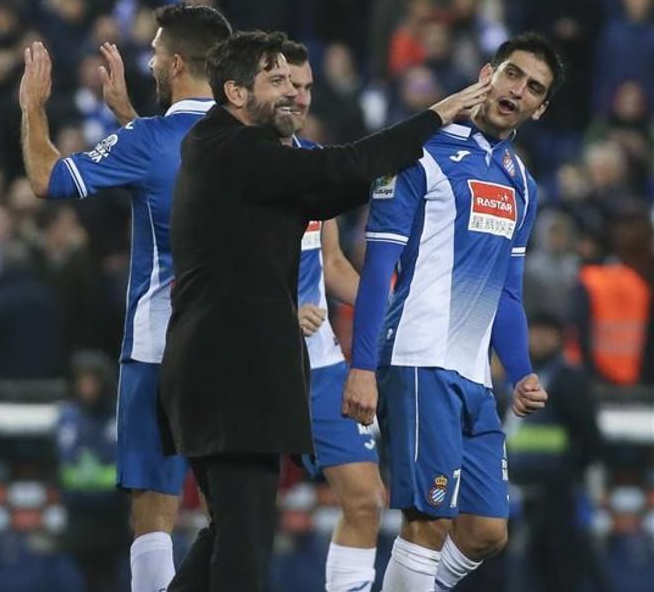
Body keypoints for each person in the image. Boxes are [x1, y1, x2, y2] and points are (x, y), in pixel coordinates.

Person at [159, 29, 491, 592]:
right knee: (245, 541)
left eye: (295, 81)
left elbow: (335, 187)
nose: (291, 92)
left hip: (218, 371)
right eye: (277, 81)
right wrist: (435, 117)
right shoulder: (236, 149)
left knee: (229, 530)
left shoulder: (228, 149)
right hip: (231, 376)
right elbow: (342, 170)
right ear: (236, 93)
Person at [17, 2, 233, 592]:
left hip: (159, 347)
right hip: (235, 348)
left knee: (155, 504)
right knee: (236, 507)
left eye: (158, 53)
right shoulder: (251, 139)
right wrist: (132, 119)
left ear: (179, 63)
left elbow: (47, 178)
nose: (152, 60)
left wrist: (33, 106)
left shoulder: (149, 140)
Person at [341, 32, 564, 592]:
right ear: (488, 73)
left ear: (541, 109)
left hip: (472, 374)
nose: (517, 91)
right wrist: (362, 367)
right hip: (419, 359)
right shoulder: (420, 152)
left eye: (533, 88)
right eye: (513, 74)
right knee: (430, 520)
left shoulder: (521, 183)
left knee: (487, 529)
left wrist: (522, 372)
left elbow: (508, 294)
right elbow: (377, 268)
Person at [281, 40, 386, 592]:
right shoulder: (227, 164)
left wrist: (388, 306)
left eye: (306, 87)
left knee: (366, 501)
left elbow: (333, 263)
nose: (298, 96)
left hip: (321, 367)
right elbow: (203, 274)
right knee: (236, 518)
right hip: (252, 368)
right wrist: (277, 310)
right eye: (287, 85)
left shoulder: (317, 164)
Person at [508, 313, 603, 592]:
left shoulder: (568, 378)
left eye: (546, 333)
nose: (538, 339)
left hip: (556, 491)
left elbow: (589, 434)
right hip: (515, 488)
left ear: (560, 338)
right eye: (534, 332)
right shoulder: (515, 375)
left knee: (560, 569)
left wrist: (569, 472)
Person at [55, 350, 130, 592]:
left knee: (110, 577)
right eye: (82, 381)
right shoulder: (67, 418)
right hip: (78, 515)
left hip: (112, 515)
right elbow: (61, 463)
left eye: (92, 381)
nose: (86, 387)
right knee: (85, 577)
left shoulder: (119, 416)